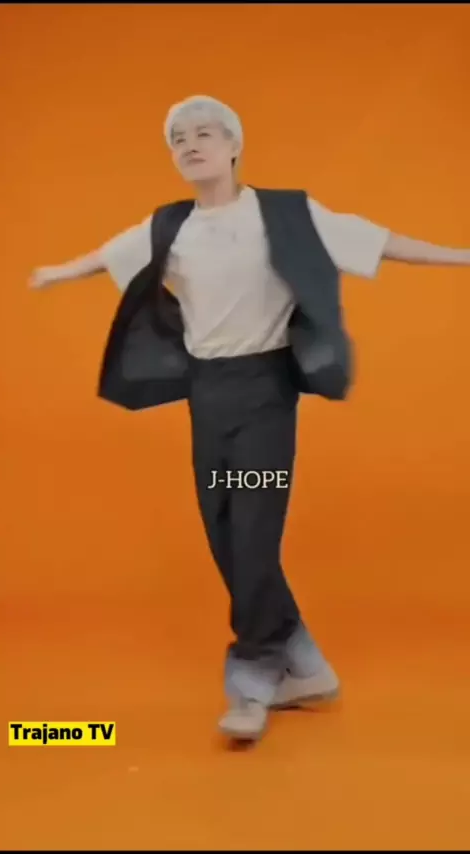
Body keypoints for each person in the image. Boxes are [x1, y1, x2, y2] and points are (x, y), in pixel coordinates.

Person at [30, 95, 470, 744]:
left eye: (204, 133)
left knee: (254, 530)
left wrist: (462, 255)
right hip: (207, 396)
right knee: (224, 531)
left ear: (234, 145)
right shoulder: (171, 226)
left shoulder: (285, 213)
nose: (190, 144)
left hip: (265, 392)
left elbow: (376, 240)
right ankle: (308, 669)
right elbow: (108, 255)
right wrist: (56, 273)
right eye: (178, 137)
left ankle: (253, 678)